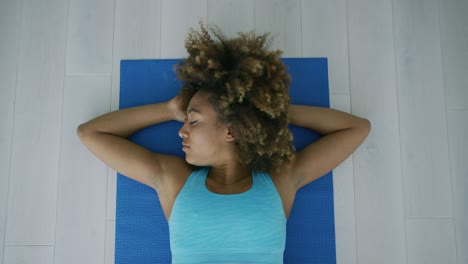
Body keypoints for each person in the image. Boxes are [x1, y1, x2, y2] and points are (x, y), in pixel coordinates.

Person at [77, 22, 371, 263]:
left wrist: (264, 113)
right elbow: (90, 134)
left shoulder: (279, 180)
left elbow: (356, 128)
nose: (181, 132)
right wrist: (168, 108)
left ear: (232, 130)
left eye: (192, 121)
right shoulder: (173, 180)